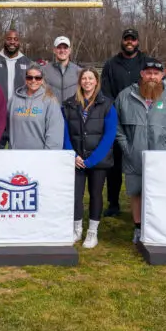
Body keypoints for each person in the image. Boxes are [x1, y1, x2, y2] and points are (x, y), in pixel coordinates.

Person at [115, 59, 166, 244]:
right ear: (142, 74)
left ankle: (159, 228)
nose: (152, 77)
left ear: (162, 75)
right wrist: (127, 147)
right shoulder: (126, 96)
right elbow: (115, 126)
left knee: (161, 192)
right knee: (136, 193)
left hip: (162, 158)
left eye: (156, 74)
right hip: (135, 157)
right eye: (148, 73)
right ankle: (138, 228)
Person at [62, 68, 118, 249]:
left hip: (97, 160)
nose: (87, 81)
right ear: (79, 81)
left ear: (96, 81)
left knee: (95, 195)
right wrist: (72, 155)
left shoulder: (107, 104)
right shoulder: (69, 104)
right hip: (76, 159)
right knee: (76, 195)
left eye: (90, 78)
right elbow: (64, 133)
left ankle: (92, 231)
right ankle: (76, 229)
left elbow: (109, 136)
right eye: (84, 78)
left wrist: (92, 160)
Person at [100, 27, 150, 217]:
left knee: (142, 164)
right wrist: (115, 115)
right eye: (127, 39)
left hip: (141, 121)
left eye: (133, 39)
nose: (130, 42)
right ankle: (113, 203)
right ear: (122, 41)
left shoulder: (146, 62)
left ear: (138, 41)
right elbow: (105, 92)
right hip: (117, 120)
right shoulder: (111, 64)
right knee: (114, 165)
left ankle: (145, 204)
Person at [7, 63, 64, 150]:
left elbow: (55, 134)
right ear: (25, 79)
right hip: (15, 156)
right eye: (30, 77)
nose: (33, 80)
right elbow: (5, 126)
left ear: (42, 80)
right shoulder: (14, 99)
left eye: (37, 78)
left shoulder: (50, 101)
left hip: (39, 158)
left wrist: (49, 157)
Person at [0, 28, 33, 101]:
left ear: (19, 42)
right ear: (4, 40)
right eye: (9, 39)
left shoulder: (28, 63)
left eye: (15, 39)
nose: (12, 42)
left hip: (21, 110)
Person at [42, 36, 82, 103]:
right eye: (59, 48)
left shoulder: (78, 71)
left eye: (65, 48)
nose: (62, 50)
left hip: (71, 112)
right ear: (54, 50)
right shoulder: (44, 70)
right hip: (51, 111)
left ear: (69, 50)